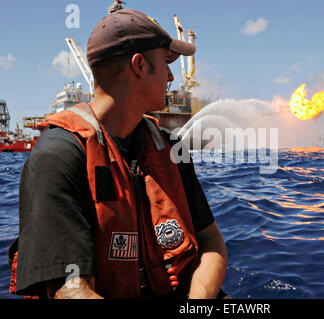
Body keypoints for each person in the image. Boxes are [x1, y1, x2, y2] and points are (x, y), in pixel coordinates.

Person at [9, 8, 228, 299]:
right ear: (139, 65)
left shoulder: (170, 147)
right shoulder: (58, 156)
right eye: (166, 63)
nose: (173, 76)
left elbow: (211, 242)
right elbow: (71, 290)